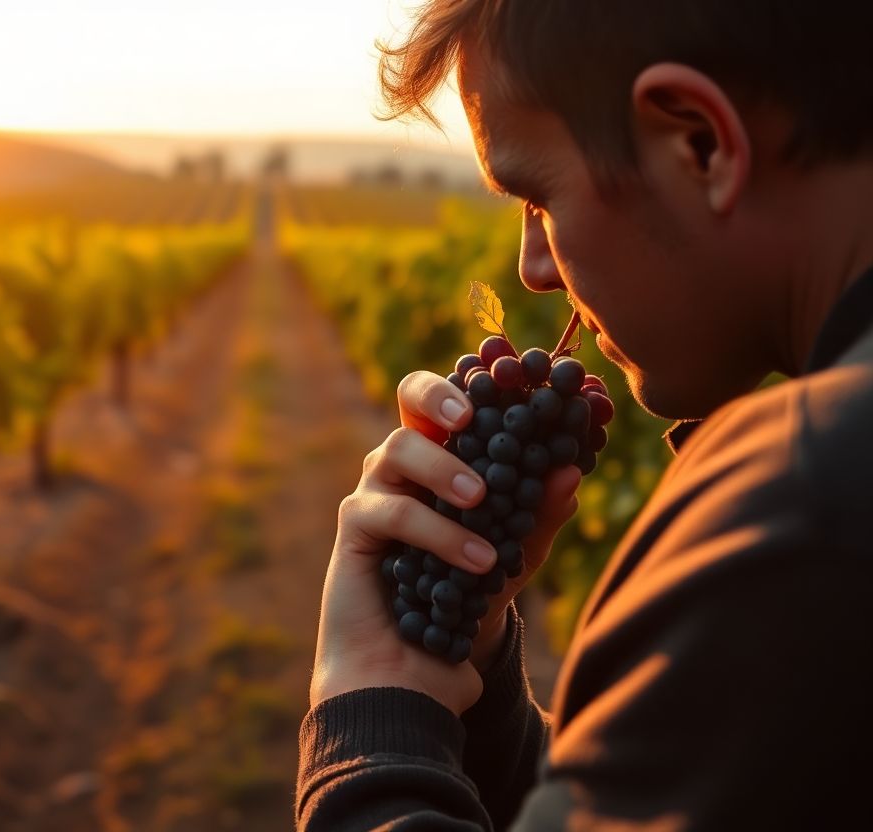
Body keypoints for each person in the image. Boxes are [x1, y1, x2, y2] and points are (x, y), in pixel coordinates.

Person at [297, 1, 873, 829]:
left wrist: (373, 716)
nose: (533, 267)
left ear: (699, 143)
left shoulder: (810, 515)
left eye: (537, 197)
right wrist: (479, 670)